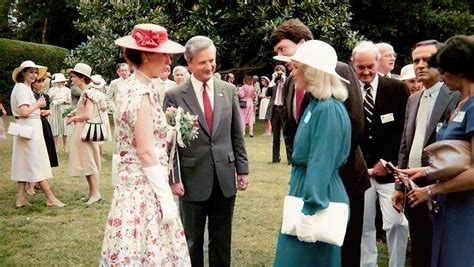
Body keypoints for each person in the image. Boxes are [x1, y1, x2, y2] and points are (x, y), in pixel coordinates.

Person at [270, 18, 369, 266]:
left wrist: (310, 209)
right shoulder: (316, 104)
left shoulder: (328, 110)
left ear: (312, 72)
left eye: (298, 67)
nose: (292, 70)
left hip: (318, 197)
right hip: (305, 190)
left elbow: (321, 162)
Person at [99, 23, 190, 266]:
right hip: (143, 189)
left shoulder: (130, 88)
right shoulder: (140, 93)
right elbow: (145, 152)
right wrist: (164, 198)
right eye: (164, 54)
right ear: (147, 54)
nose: (169, 61)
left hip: (131, 185)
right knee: (147, 245)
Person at [164, 35, 249, 267]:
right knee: (191, 241)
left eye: (212, 60)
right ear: (189, 62)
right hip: (192, 180)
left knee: (222, 240)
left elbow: (236, 134)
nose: (209, 66)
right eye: (203, 62)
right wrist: (174, 178)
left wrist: (242, 169)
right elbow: (168, 143)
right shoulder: (174, 95)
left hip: (224, 177)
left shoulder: (228, 90)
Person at [396, 35, 474, 267]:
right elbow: (459, 158)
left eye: (442, 68)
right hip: (447, 206)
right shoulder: (461, 103)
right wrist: (421, 171)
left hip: (465, 209)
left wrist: (430, 190)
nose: (439, 74)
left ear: (458, 68)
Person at [352, 41, 409, 267]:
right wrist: (364, 168)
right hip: (360, 172)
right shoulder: (348, 90)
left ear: (378, 63)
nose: (366, 72)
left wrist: (386, 162)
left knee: (397, 223)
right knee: (364, 226)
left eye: (370, 66)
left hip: (390, 171)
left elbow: (404, 131)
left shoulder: (396, 89)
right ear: (353, 64)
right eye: (360, 67)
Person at [10, 60, 65, 208]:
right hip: (29, 130)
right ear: (23, 73)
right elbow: (23, 111)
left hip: (28, 127)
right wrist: (39, 105)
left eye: (35, 72)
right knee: (37, 162)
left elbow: (27, 111)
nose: (34, 75)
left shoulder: (24, 88)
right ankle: (50, 198)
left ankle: (20, 198)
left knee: (23, 163)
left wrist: (39, 111)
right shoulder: (22, 88)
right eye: (31, 72)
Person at [66, 63, 102, 205]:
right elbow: (83, 110)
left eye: (74, 77)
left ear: (82, 78)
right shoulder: (84, 93)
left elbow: (88, 114)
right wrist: (75, 112)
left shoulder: (89, 93)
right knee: (84, 161)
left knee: (89, 161)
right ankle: (91, 192)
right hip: (81, 130)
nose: (72, 79)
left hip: (86, 131)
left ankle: (96, 193)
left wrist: (73, 118)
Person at [26, 73, 59, 196]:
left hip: (44, 125)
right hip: (33, 124)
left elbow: (48, 108)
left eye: (41, 82)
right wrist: (39, 112)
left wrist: (46, 112)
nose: (40, 84)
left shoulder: (45, 95)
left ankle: (40, 180)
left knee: (45, 152)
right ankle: (30, 184)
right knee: (33, 154)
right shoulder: (29, 95)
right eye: (38, 82)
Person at [266, 64, 288, 163]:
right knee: (275, 136)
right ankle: (275, 158)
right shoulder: (273, 83)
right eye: (277, 72)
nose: (279, 74)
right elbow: (267, 93)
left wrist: (283, 81)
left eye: (281, 72)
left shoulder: (287, 81)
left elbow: (287, 93)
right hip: (275, 110)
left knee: (287, 135)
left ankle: (290, 158)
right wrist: (273, 80)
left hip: (284, 110)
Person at [90, 74, 112, 161]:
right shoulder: (101, 95)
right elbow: (104, 107)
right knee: (100, 137)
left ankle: (93, 155)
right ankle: (100, 155)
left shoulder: (87, 93)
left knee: (92, 136)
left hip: (91, 116)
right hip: (99, 116)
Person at [48, 73, 71, 152]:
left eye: (61, 82)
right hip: (54, 110)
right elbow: (48, 100)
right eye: (58, 82)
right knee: (55, 128)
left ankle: (65, 146)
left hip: (64, 109)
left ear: (64, 82)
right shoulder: (52, 90)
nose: (60, 83)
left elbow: (70, 101)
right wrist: (53, 99)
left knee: (65, 128)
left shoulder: (67, 90)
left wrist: (64, 101)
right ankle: (55, 147)